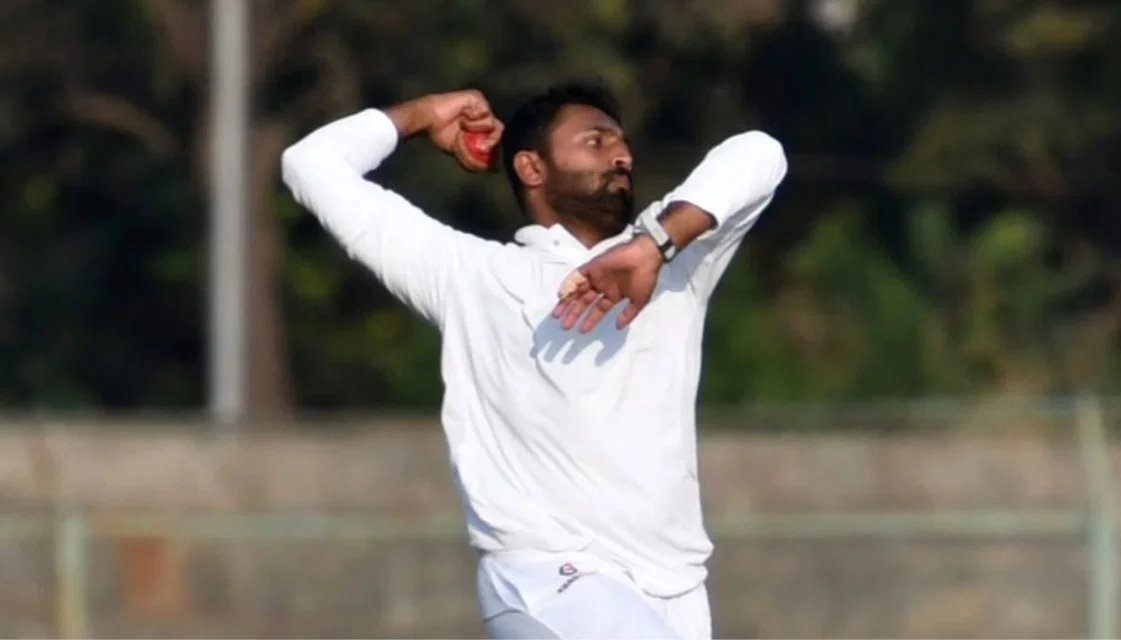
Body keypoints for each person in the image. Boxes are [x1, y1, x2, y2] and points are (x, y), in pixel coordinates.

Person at [281, 80, 787, 639]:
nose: (621, 155)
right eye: (595, 141)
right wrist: (423, 115)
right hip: (550, 578)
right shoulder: (467, 276)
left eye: (622, 143)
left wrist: (653, 246)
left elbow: (761, 152)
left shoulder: (673, 258)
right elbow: (311, 165)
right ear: (531, 167)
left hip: (677, 586)